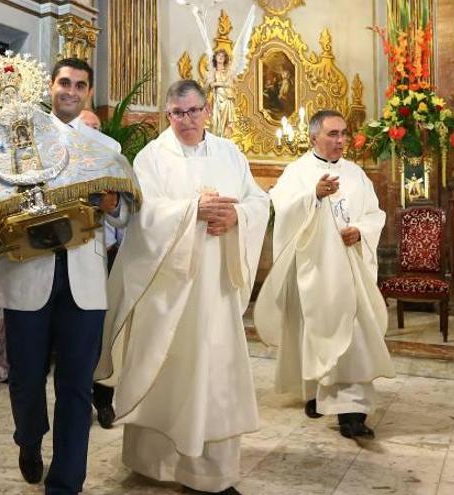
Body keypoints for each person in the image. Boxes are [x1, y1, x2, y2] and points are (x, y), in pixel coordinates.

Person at [96, 80, 270, 495]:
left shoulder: (230, 153)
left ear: (207, 111)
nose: (186, 120)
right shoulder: (152, 157)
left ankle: (211, 473)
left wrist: (237, 219)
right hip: (169, 291)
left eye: (193, 111)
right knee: (167, 368)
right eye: (177, 113)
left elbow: (258, 201)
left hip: (217, 290)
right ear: (167, 115)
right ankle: (154, 464)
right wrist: (193, 210)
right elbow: (142, 215)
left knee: (214, 372)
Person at [0, 57, 131, 494]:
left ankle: (66, 483)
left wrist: (112, 204)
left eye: (79, 85)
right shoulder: (18, 141)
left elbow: (128, 213)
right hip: (27, 274)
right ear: (51, 87)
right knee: (26, 376)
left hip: (85, 281)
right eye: (63, 82)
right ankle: (29, 437)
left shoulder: (106, 149)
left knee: (76, 385)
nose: (70, 90)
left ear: (89, 92)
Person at [254, 110, 395, 447]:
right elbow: (283, 211)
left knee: (354, 335)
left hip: (351, 271)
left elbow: (375, 213)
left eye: (344, 134)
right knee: (315, 334)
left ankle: (352, 411)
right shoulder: (298, 172)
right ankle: (317, 392)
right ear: (314, 137)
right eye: (332, 134)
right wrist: (313, 196)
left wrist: (359, 231)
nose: (340, 140)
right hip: (314, 270)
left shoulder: (356, 173)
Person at [76, 107, 121, 430]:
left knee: (108, 336)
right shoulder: (69, 170)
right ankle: (80, 398)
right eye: (85, 128)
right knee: (83, 340)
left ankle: (104, 399)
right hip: (80, 262)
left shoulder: (113, 166)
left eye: (96, 128)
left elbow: (126, 219)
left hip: (113, 259)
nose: (92, 134)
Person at [207, 48, 235, 138]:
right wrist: (222, 84)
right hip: (217, 99)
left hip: (227, 98)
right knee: (215, 121)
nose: (220, 57)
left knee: (226, 122)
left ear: (225, 59)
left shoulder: (228, 72)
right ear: (215, 58)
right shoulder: (213, 71)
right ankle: (217, 138)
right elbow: (211, 85)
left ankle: (224, 138)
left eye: (222, 56)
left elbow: (231, 85)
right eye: (219, 55)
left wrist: (218, 84)